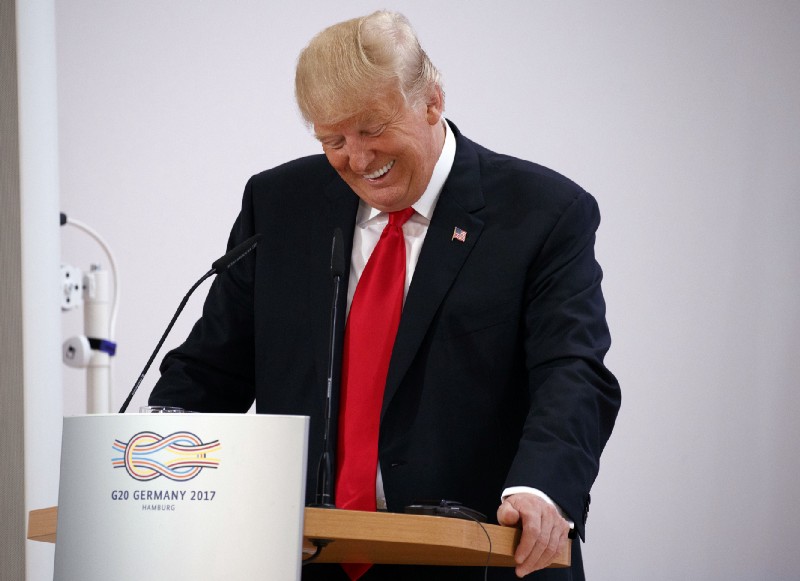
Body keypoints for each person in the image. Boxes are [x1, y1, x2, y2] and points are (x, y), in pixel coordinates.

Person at [149, 10, 620, 581]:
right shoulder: (280, 205)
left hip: (481, 557)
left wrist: (541, 487)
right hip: (309, 558)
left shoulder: (543, 213)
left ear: (431, 101)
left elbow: (571, 370)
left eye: (371, 129)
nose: (357, 159)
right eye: (333, 139)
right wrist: (148, 458)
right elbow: (211, 368)